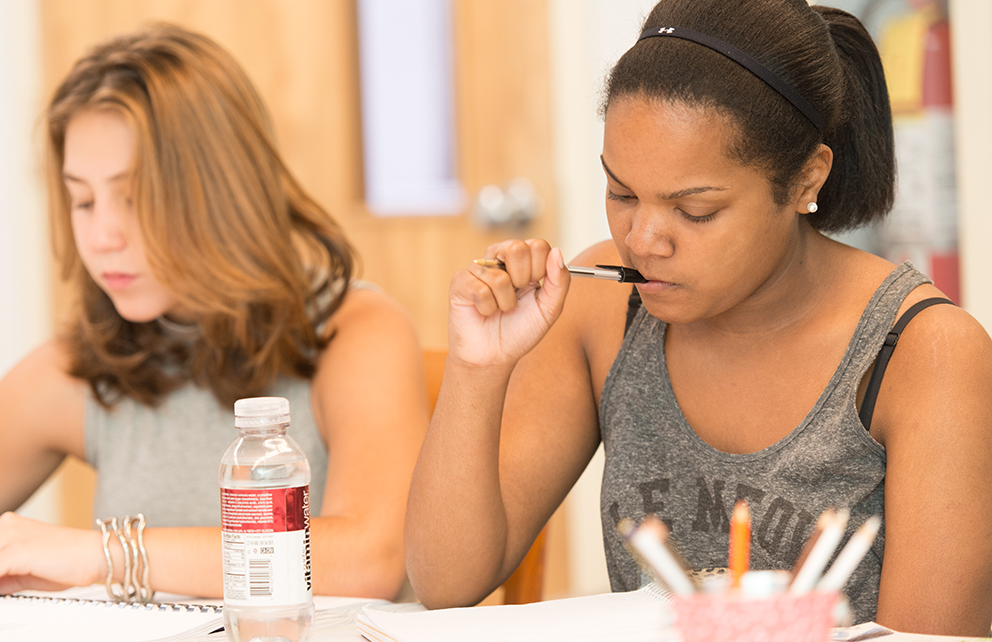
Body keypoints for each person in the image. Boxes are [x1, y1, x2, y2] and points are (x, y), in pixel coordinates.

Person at [405, 0, 992, 635]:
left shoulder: (923, 353)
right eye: (622, 194)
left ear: (805, 180)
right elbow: (446, 581)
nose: (644, 239)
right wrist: (477, 367)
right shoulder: (605, 309)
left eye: (696, 210)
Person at [0, 24, 426, 602]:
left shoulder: (356, 332)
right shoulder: (72, 371)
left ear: (221, 191)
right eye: (82, 200)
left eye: (133, 198)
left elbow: (370, 559)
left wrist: (103, 555)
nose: (102, 236)